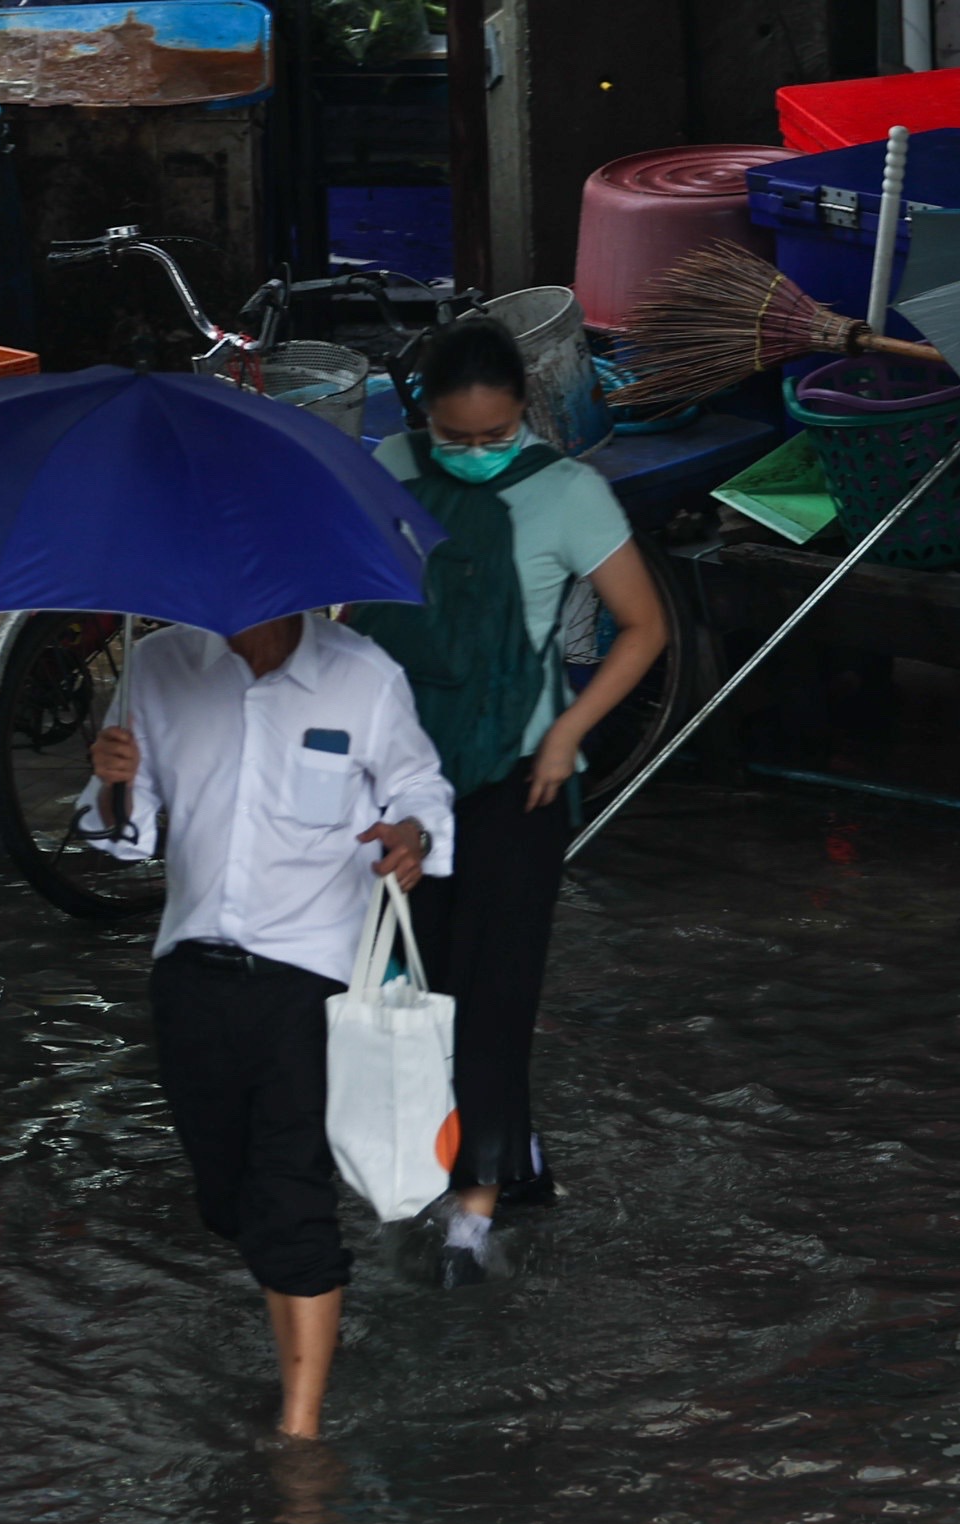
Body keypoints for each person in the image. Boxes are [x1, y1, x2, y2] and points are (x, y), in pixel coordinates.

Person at [350, 316, 669, 1289]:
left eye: (495, 437)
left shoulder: (571, 496)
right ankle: (515, 1167)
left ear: (524, 415)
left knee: (499, 995)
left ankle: (471, 1221)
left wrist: (568, 733)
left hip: (518, 781)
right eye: (458, 438)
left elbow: (644, 627)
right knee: (427, 986)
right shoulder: (385, 470)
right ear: (424, 419)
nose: (478, 454)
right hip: (404, 776)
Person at [84, 612, 450, 1440]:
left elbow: (420, 786)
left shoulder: (364, 674)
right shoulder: (158, 665)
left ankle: (300, 1428)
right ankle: (297, 1345)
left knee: (289, 1194)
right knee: (230, 1198)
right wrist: (112, 779)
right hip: (190, 971)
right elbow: (124, 841)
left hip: (314, 978)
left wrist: (411, 835)